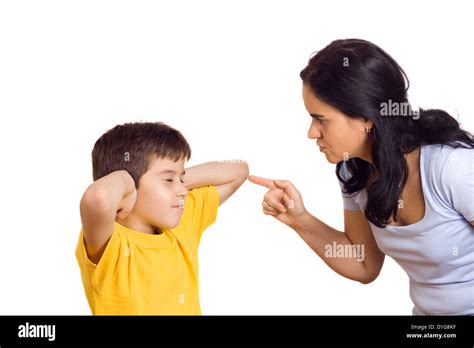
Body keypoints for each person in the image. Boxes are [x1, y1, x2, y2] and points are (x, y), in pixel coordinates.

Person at [249, 39, 474, 315]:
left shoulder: (451, 167)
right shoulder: (352, 171)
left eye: (321, 119)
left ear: (367, 118)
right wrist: (300, 220)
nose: (311, 132)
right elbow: (363, 263)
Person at [76, 122, 248, 315]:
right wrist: (129, 180)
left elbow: (239, 170)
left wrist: (177, 178)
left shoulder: (181, 222)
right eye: (167, 180)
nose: (183, 191)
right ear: (128, 188)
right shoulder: (110, 245)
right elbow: (98, 197)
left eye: (181, 180)